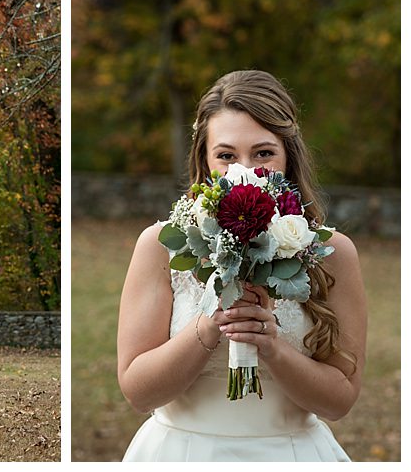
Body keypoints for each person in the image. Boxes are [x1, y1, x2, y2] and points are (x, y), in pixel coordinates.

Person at [118, 70, 366, 461]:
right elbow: (137, 391)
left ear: (288, 156)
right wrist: (210, 324)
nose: (245, 171)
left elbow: (340, 402)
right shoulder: (160, 247)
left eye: (264, 153)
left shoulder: (333, 251)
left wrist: (272, 347)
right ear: (205, 159)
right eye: (227, 155)